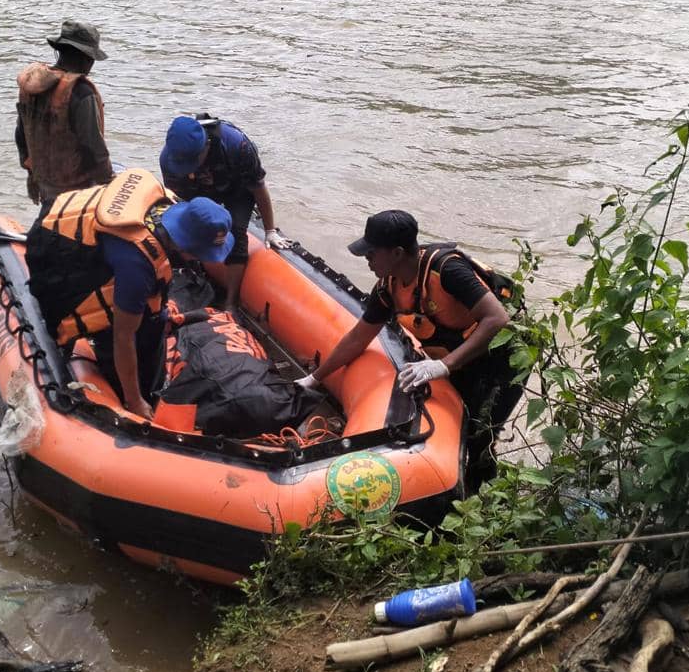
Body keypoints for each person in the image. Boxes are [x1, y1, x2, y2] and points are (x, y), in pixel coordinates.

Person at [296, 210, 523, 478]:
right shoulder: (388, 287)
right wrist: (314, 378)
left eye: (371, 254)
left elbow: (497, 318)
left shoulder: (447, 270)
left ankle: (485, 496)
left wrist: (444, 365)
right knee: (460, 420)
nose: (367, 261)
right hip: (465, 351)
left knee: (479, 433)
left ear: (397, 253)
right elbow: (358, 338)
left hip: (504, 355)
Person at [25, 167, 234, 420]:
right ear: (184, 244)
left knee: (153, 322)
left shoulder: (165, 206)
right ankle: (126, 394)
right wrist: (135, 400)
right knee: (135, 336)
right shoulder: (136, 266)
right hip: (64, 260)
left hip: (91, 238)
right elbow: (123, 337)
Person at [159, 114, 292, 312]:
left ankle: (230, 303)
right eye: (184, 166)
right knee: (186, 232)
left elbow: (258, 187)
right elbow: (178, 200)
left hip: (236, 189)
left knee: (237, 234)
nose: (189, 172)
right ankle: (189, 281)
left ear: (206, 146)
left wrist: (270, 230)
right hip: (197, 192)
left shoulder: (236, 145)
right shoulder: (170, 160)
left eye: (192, 164)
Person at [16, 19, 114, 206]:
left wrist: (31, 175)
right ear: (86, 58)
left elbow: (21, 135)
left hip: (45, 183)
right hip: (76, 191)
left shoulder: (31, 86)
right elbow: (93, 147)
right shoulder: (80, 92)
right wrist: (108, 183)